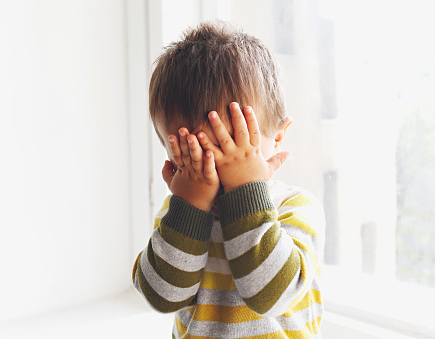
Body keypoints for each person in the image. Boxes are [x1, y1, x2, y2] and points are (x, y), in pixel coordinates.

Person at [132, 20, 325, 338]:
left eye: (229, 149)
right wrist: (189, 207)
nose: (212, 173)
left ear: (277, 138)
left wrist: (245, 190)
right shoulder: (179, 214)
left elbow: (271, 295)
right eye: (191, 156)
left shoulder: (296, 208)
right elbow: (162, 297)